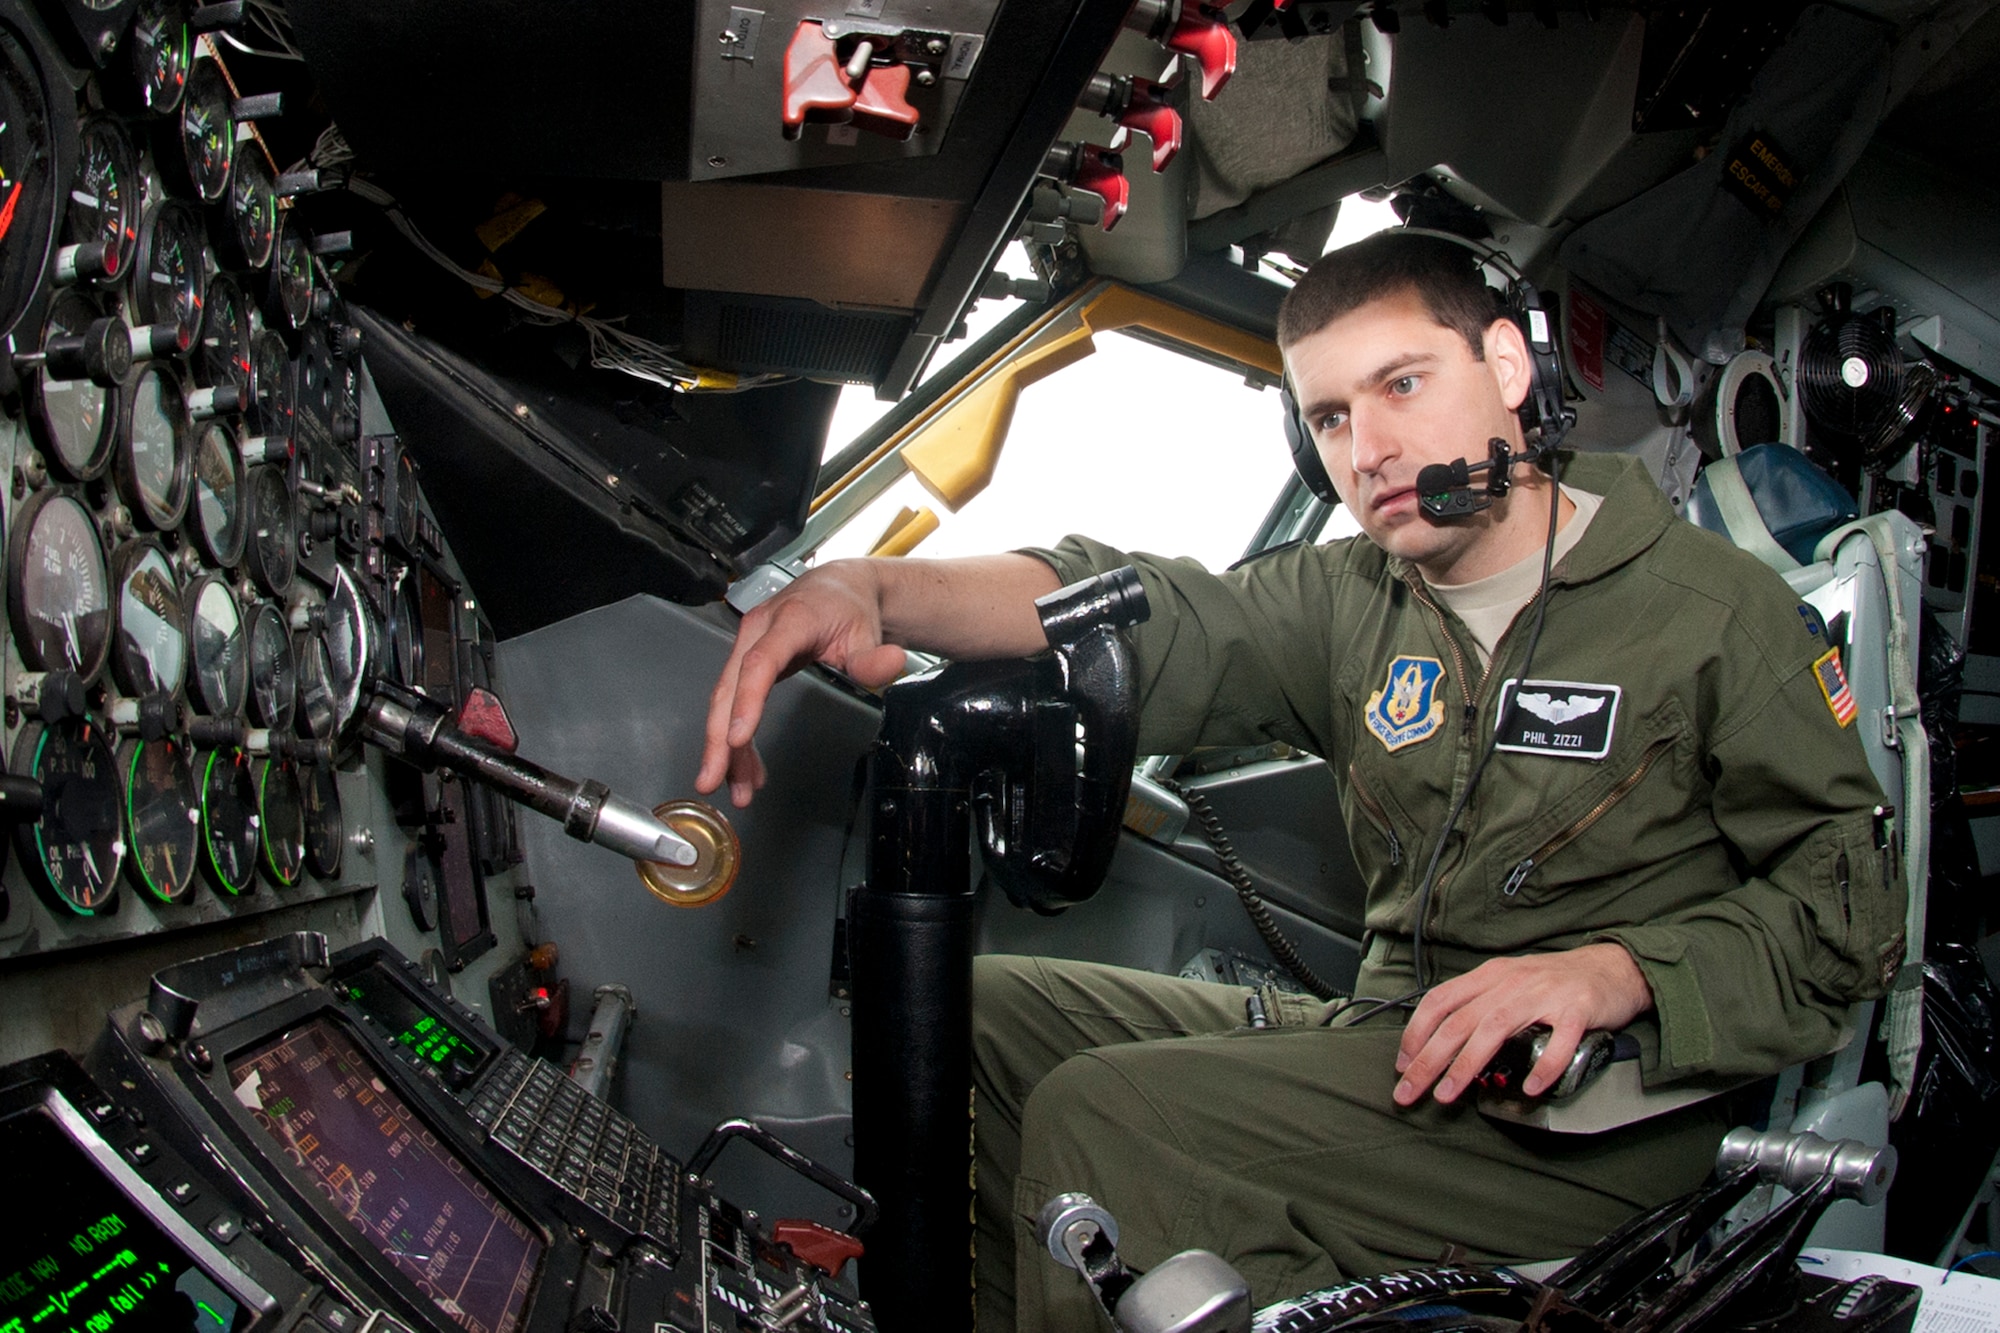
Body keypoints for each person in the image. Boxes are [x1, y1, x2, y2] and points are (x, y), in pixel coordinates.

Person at [695, 231, 1904, 1331]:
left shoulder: (1709, 613)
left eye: (1400, 386)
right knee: (981, 1013)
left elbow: (1843, 917)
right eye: (1326, 418)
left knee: (1113, 1115)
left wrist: (1613, 971)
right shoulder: (1351, 597)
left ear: (1505, 364)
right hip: (1391, 1041)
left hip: (1589, 1120)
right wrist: (874, 589)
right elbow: (1137, 606)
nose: (1365, 451)